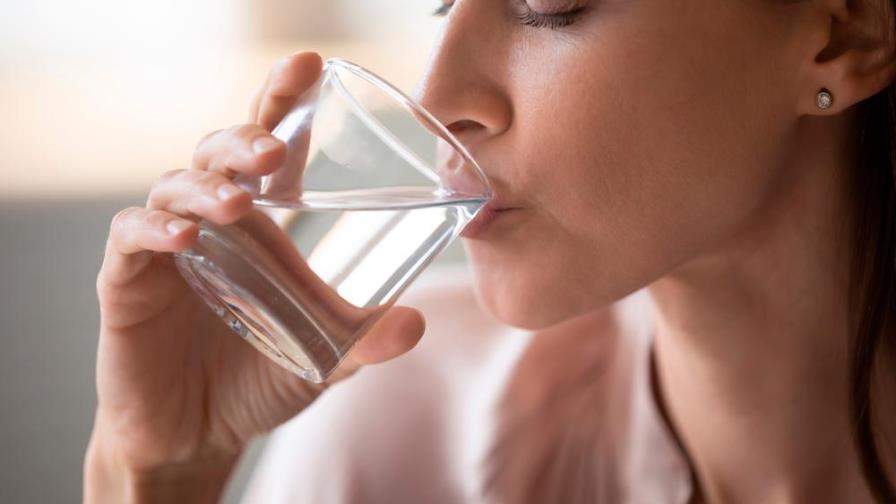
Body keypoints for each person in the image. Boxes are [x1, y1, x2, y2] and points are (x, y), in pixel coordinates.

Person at [84, 0, 896, 502]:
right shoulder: (400, 425)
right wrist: (157, 474)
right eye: (444, 4)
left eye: (547, 5)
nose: (435, 102)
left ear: (847, 29)